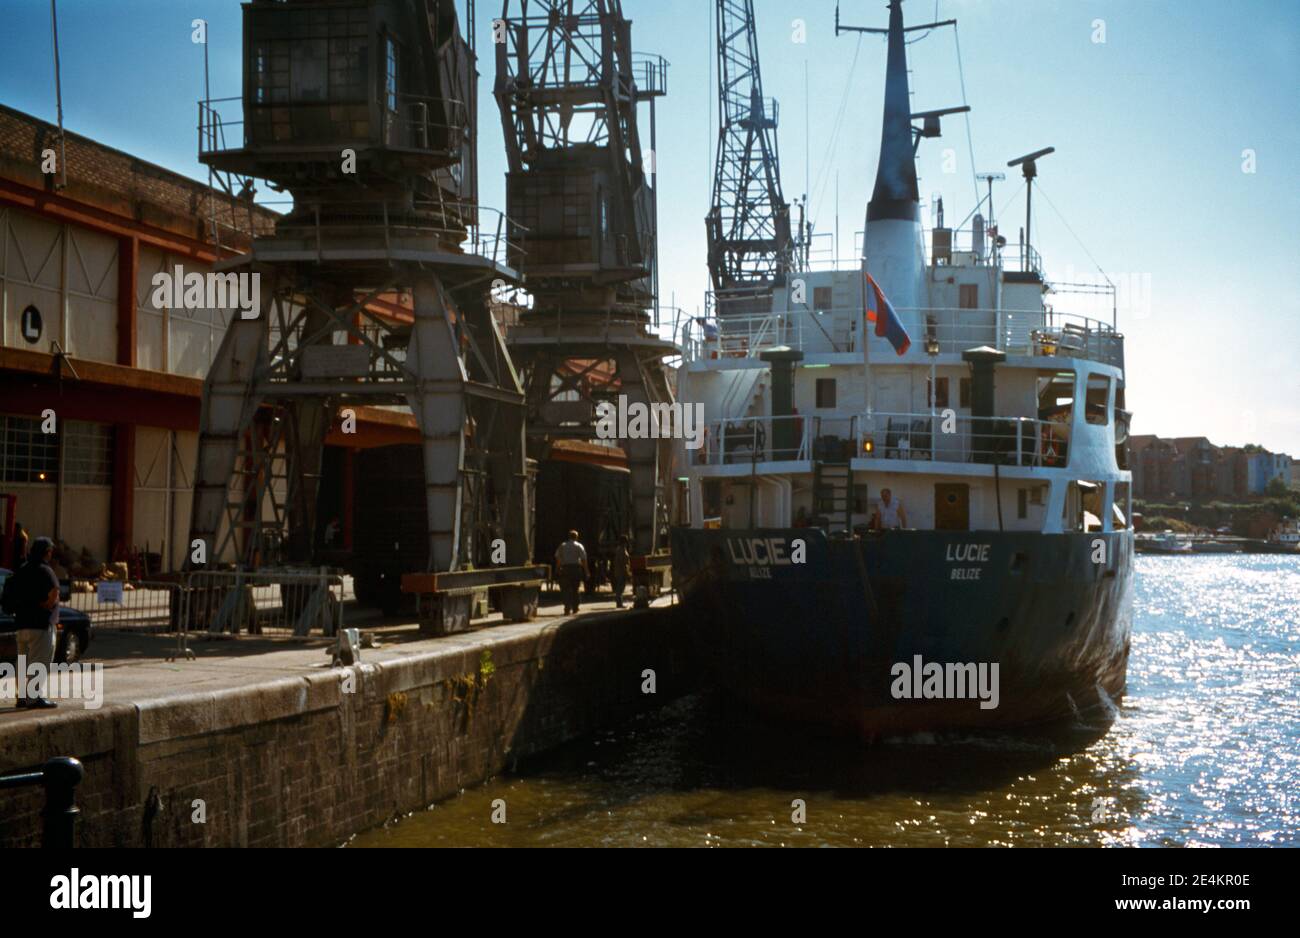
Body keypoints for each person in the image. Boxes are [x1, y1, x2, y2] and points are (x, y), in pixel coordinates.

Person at [5, 537, 60, 709]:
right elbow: (54, 590)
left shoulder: (21, 570)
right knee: (39, 662)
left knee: (22, 662)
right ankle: (34, 697)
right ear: (47, 552)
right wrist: (47, 605)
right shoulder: (45, 570)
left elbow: (9, 595)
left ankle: (21, 696)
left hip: (21, 624)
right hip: (40, 625)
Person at [554, 530, 589, 615]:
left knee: (565, 589)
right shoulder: (579, 546)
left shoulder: (563, 545)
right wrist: (586, 571)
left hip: (565, 569)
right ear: (576, 537)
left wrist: (557, 569)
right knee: (575, 589)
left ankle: (567, 608)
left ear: (569, 536)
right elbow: (584, 559)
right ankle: (575, 608)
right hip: (576, 569)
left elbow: (558, 558)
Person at [611, 535, 633, 609]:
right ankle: (619, 603)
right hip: (621, 571)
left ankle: (620, 602)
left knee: (620, 587)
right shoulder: (621, 550)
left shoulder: (620, 549)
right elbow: (622, 562)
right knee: (620, 587)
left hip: (620, 571)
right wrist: (626, 572)